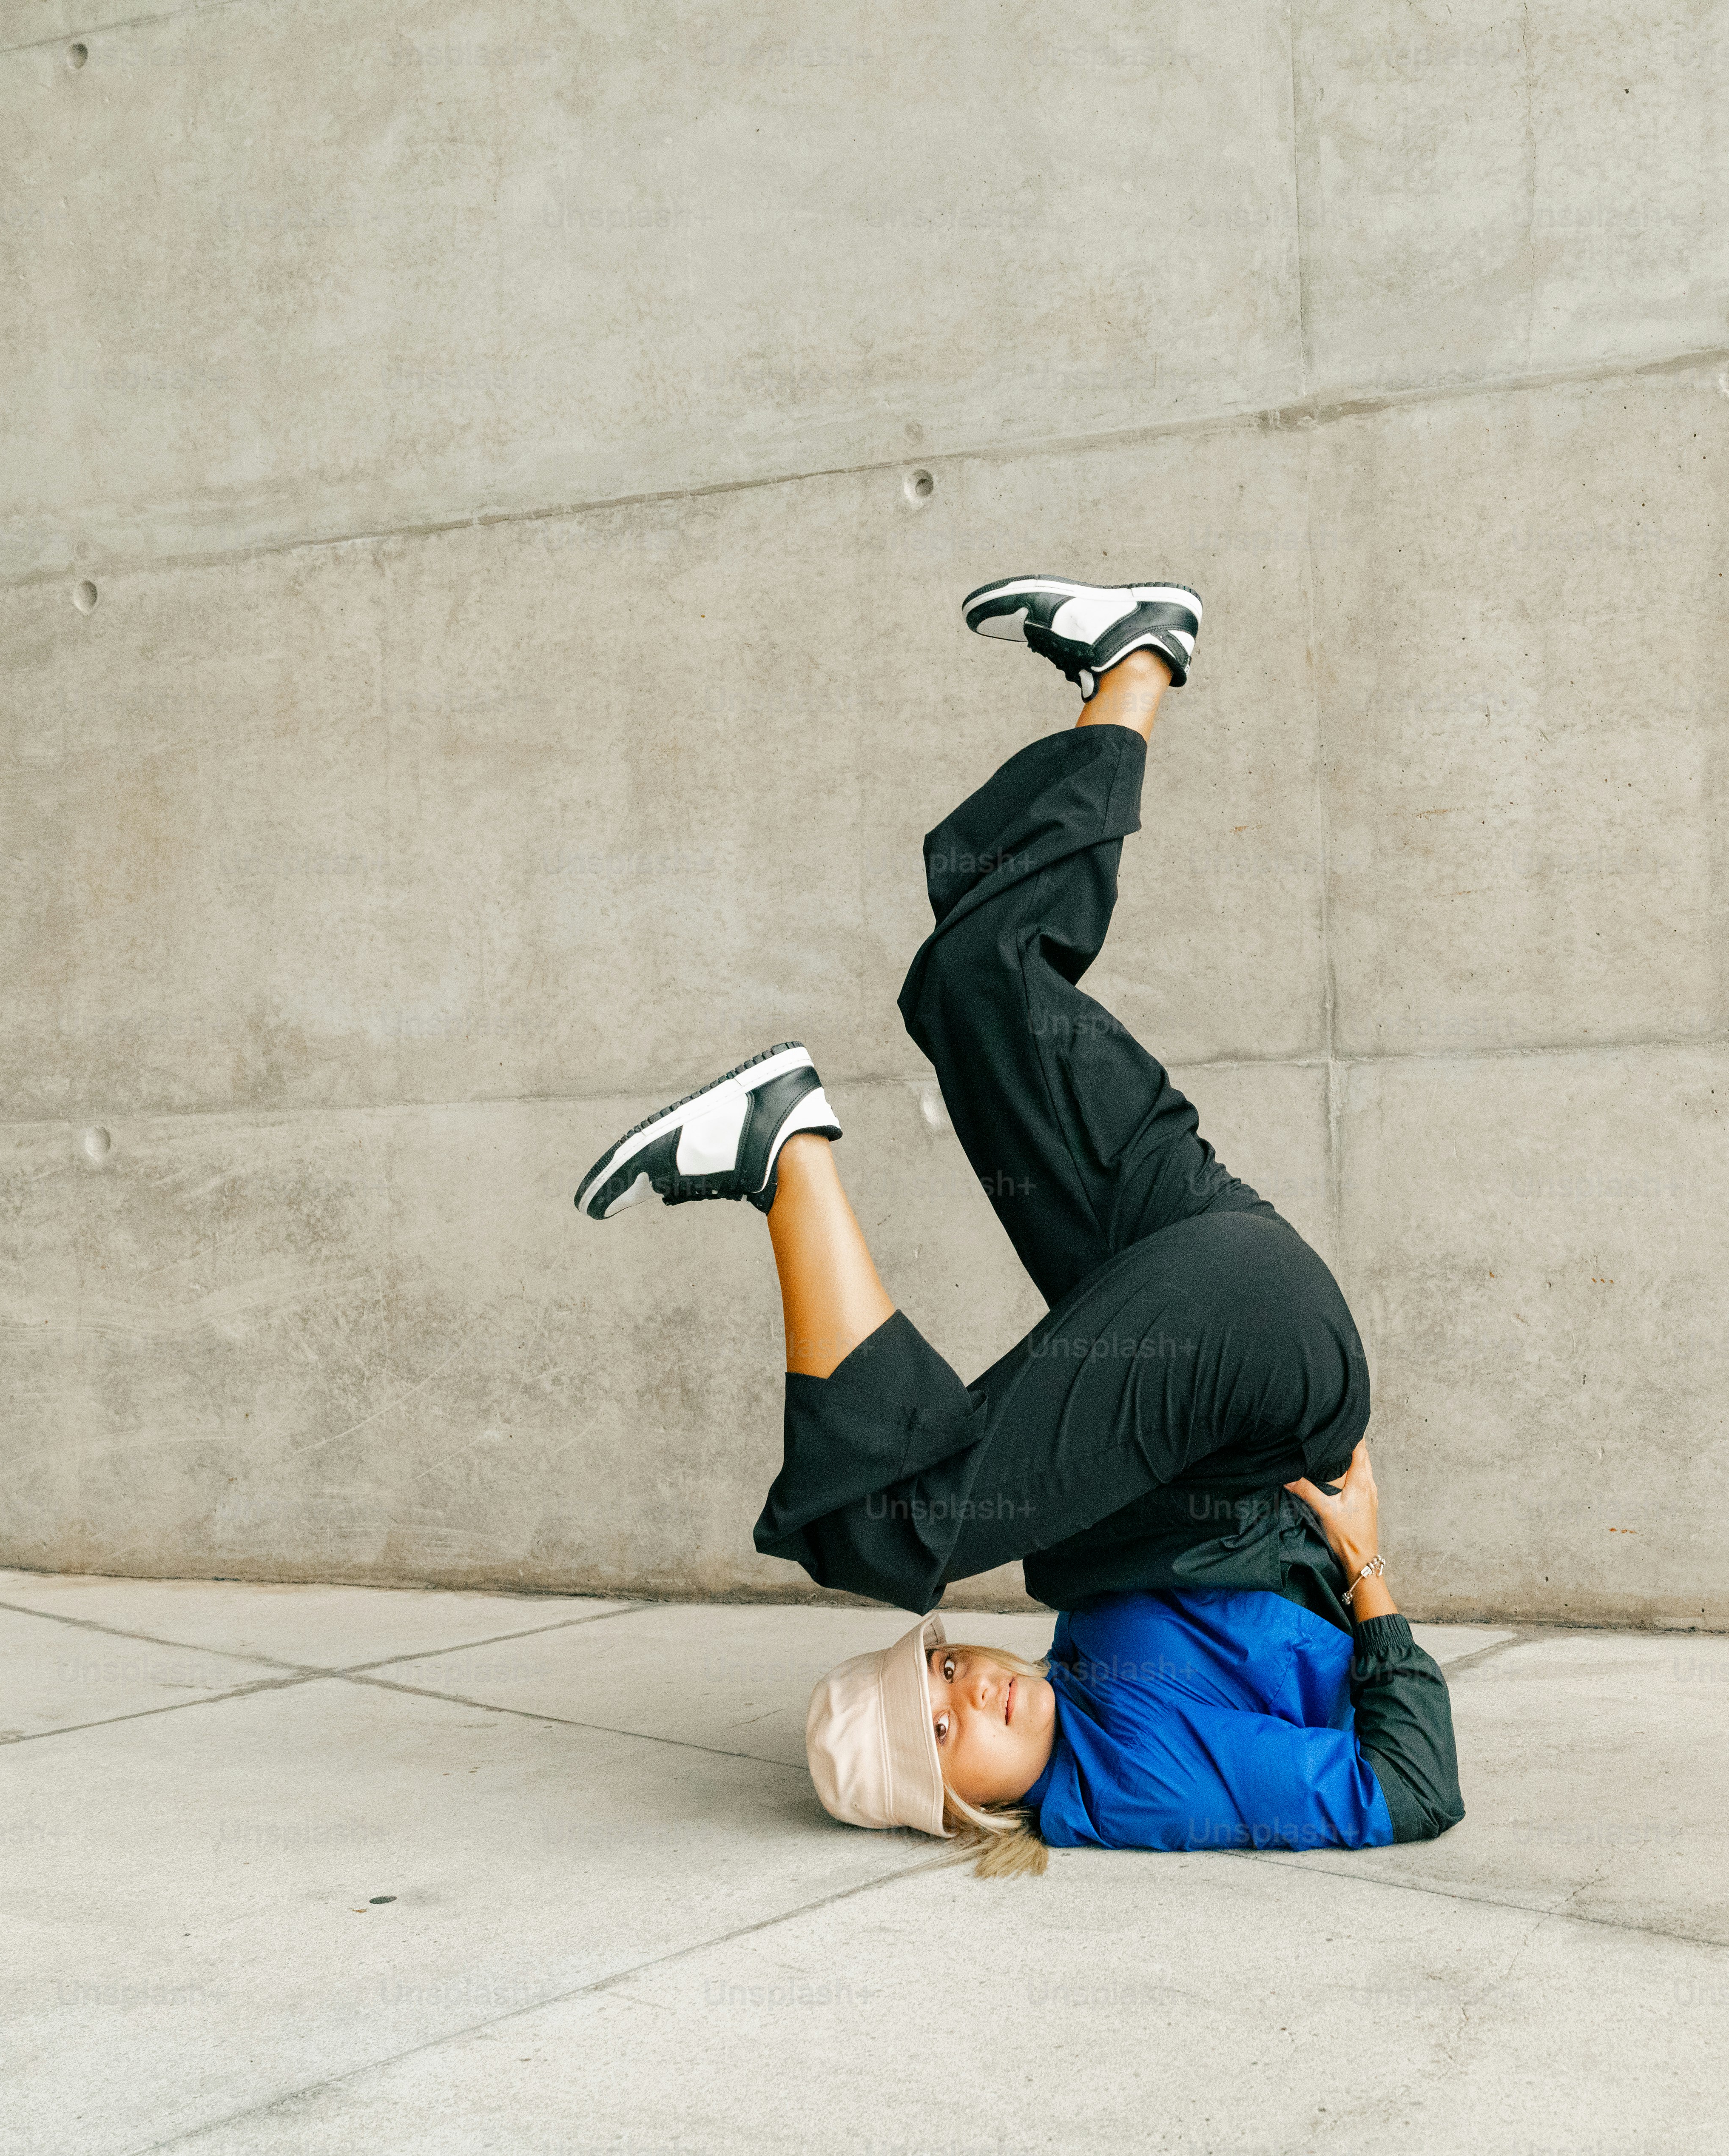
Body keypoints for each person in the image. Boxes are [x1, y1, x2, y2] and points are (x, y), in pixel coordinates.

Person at [571, 575, 1462, 1875]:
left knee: (978, 990)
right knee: (883, 1534)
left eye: (940, 1676)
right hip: (1255, 1373)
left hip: (1217, 1285)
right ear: (967, 1812)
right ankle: (785, 1157)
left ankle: (1136, 666)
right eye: (945, 1735)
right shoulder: (1135, 1782)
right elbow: (1411, 1789)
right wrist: (1371, 1578)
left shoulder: (1083, 1676)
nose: (971, 1693)